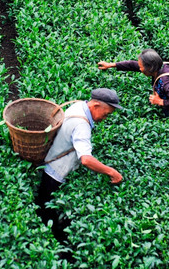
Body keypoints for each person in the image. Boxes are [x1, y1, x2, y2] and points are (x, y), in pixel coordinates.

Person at [35, 88, 123, 239]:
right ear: (95, 105)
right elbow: (86, 159)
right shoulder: (82, 125)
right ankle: (54, 238)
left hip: (50, 161)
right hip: (55, 173)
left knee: (45, 203)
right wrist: (111, 171)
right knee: (49, 209)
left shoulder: (79, 105)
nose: (105, 118)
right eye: (106, 113)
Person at [98, 48, 169, 121]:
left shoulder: (166, 82)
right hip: (168, 104)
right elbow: (132, 65)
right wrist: (110, 65)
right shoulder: (158, 68)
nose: (140, 69)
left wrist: (159, 101)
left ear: (149, 68)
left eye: (141, 67)